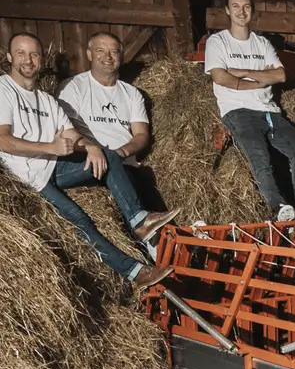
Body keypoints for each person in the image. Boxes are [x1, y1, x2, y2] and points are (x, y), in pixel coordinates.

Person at [0, 32, 172, 287]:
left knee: (108, 155)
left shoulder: (46, 99)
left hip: (51, 166)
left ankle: (139, 221)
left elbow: (70, 132)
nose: (29, 60)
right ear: (9, 57)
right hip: (26, 176)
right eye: (22, 53)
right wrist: (49, 146)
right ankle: (135, 272)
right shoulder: (4, 90)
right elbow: (2, 139)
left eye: (34, 54)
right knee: (80, 220)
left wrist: (90, 146)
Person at [204, 0, 295, 224]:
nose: (241, 11)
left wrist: (242, 72)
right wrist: (257, 80)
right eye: (235, 6)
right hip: (239, 111)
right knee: (260, 157)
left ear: (252, 11)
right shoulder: (218, 42)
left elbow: (280, 76)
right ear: (227, 10)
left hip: (270, 111)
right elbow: (220, 77)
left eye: (246, 6)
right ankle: (278, 206)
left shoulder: (262, 43)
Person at [58, 32, 152, 169]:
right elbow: (66, 129)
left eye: (113, 52)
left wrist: (121, 152)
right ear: (89, 55)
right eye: (100, 51)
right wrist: (94, 150)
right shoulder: (73, 87)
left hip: (125, 163)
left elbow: (141, 134)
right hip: (91, 161)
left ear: (121, 56)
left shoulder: (132, 93)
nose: (108, 57)